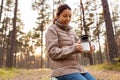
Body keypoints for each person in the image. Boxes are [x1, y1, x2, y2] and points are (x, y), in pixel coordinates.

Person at [45, 4, 96, 80]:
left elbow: (80, 43)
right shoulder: (52, 30)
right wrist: (74, 48)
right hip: (62, 70)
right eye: (65, 16)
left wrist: (90, 46)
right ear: (58, 16)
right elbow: (53, 52)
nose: (68, 19)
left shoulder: (72, 32)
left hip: (78, 69)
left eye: (70, 16)